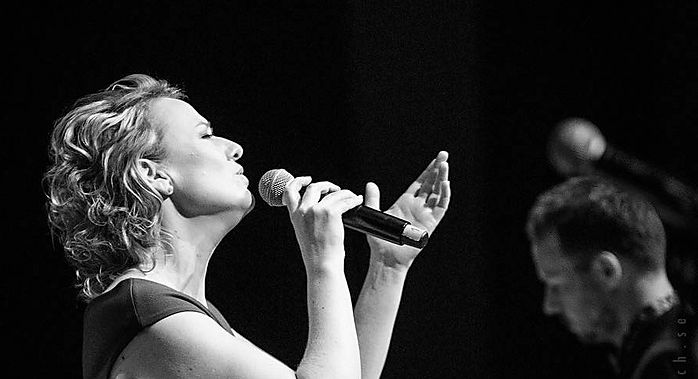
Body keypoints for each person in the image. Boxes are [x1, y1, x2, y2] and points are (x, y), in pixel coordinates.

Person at [44, 73, 451, 379]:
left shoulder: (180, 314)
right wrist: (323, 261)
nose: (233, 147)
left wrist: (387, 269)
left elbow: (342, 371)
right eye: (206, 135)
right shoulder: (147, 313)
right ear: (154, 174)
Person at [526, 175, 697, 379]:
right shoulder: (673, 345)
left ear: (606, 271)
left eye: (556, 284)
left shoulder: (666, 364)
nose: (550, 306)